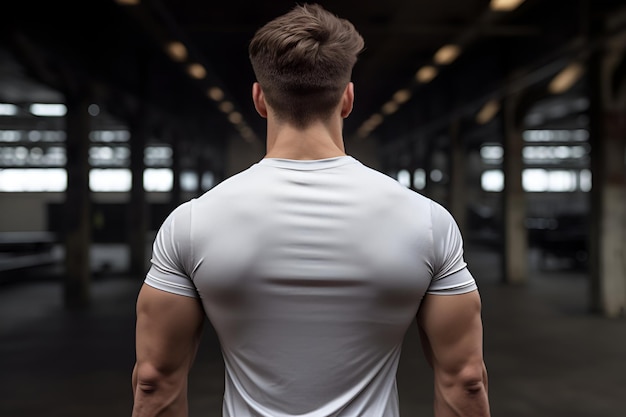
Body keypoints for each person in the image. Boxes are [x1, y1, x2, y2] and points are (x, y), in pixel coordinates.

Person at [131, 3, 490, 417]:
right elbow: (466, 379)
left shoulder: (191, 223)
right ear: (348, 99)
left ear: (259, 99)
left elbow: (154, 380)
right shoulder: (427, 222)